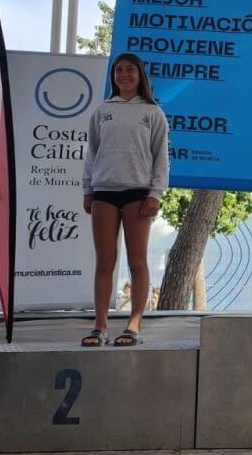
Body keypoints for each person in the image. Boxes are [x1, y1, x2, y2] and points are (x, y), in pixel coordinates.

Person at [81, 52, 169, 346]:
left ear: (140, 75)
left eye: (130, 70)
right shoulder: (102, 110)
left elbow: (161, 158)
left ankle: (134, 324)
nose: (124, 75)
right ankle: (100, 326)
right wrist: (87, 190)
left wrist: (156, 193)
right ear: (113, 76)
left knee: (137, 261)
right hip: (104, 192)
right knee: (105, 262)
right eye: (119, 70)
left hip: (138, 193)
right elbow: (91, 153)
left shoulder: (152, 112)